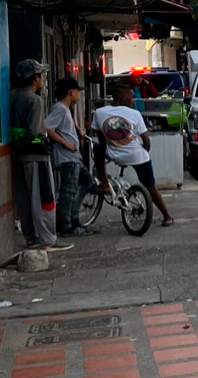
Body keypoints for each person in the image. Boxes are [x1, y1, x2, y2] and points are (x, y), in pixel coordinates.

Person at [12, 59, 73, 252]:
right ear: (35, 78)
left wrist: (16, 147)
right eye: (41, 76)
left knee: (25, 199)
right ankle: (47, 240)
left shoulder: (12, 96)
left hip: (19, 156)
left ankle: (31, 238)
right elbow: (35, 131)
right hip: (37, 156)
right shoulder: (34, 101)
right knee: (44, 199)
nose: (44, 79)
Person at [93, 84, 175, 228]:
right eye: (131, 97)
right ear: (121, 96)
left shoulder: (99, 113)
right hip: (138, 156)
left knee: (97, 149)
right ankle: (167, 216)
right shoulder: (135, 114)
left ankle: (105, 184)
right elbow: (146, 141)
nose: (133, 100)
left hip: (114, 154)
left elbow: (101, 138)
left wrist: (114, 147)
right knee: (150, 186)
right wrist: (143, 151)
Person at [45, 77, 96, 236]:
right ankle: (66, 224)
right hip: (67, 157)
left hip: (74, 158)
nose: (79, 94)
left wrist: (77, 128)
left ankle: (73, 217)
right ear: (70, 92)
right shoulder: (59, 108)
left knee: (87, 181)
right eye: (78, 91)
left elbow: (62, 124)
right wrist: (66, 143)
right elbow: (47, 127)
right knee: (68, 190)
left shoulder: (65, 109)